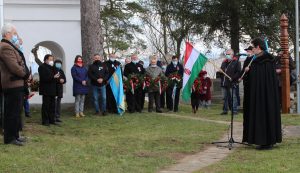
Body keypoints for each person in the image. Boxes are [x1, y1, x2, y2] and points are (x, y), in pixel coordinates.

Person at [243, 38, 282, 149]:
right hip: (265, 94)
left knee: (264, 114)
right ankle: (267, 140)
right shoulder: (267, 60)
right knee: (266, 114)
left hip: (262, 94)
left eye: (253, 47)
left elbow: (257, 78)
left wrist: (249, 71)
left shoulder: (262, 61)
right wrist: (248, 72)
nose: (252, 50)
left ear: (258, 47)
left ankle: (266, 141)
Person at [0, 23, 30, 145]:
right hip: (12, 83)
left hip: (18, 83)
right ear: (7, 34)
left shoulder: (10, 46)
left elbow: (20, 63)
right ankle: (10, 138)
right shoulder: (5, 47)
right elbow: (14, 67)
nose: (16, 36)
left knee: (17, 111)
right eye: (14, 33)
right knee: (11, 112)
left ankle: (16, 135)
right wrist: (26, 74)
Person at [217, 49, 241, 115]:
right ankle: (225, 110)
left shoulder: (237, 62)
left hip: (232, 83)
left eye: (228, 54)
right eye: (226, 54)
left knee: (233, 97)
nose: (227, 55)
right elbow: (221, 72)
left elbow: (238, 72)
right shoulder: (224, 62)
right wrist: (219, 72)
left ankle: (234, 111)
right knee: (224, 97)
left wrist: (233, 78)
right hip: (224, 83)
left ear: (232, 55)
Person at [39, 54, 60, 126]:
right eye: (50, 59)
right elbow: (44, 78)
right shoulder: (42, 67)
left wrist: (56, 74)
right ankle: (45, 121)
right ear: (46, 60)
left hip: (53, 89)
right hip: (46, 89)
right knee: (46, 106)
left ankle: (52, 120)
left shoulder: (52, 67)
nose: (52, 61)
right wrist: (53, 77)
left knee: (52, 105)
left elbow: (56, 74)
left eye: (52, 59)